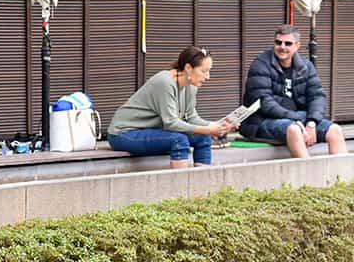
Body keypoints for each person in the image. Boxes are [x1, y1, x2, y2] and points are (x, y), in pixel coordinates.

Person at [107, 46, 236, 168]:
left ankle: (202, 187)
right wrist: (208, 129)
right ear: (188, 68)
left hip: (151, 131)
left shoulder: (191, 86)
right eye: (204, 71)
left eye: (209, 71)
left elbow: (191, 117)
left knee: (203, 138)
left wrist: (219, 125)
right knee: (179, 140)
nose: (208, 77)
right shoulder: (164, 82)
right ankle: (183, 189)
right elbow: (171, 123)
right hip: (124, 133)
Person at [239, 24, 347, 158]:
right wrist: (298, 120)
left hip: (298, 118)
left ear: (297, 46)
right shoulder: (260, 65)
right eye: (278, 42)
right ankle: (307, 176)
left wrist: (312, 122)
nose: (282, 47)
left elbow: (317, 96)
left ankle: (340, 178)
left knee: (335, 130)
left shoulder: (306, 66)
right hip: (261, 121)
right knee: (294, 130)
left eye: (287, 43)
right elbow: (264, 103)